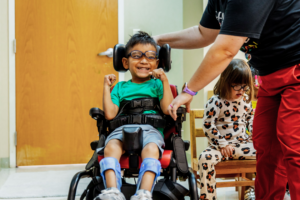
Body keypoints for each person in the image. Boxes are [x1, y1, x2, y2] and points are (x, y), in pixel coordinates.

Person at [153, 0, 300, 199]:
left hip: (295, 72)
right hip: (270, 78)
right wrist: (158, 40)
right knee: (267, 149)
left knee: (294, 146)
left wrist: (190, 90)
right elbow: (203, 33)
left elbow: (225, 50)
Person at [94, 31, 173, 200]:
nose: (144, 61)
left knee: (151, 149)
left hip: (151, 130)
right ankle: (112, 192)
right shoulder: (120, 87)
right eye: (137, 55)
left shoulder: (158, 85)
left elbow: (167, 109)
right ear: (125, 61)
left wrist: (165, 81)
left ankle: (143, 194)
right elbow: (110, 114)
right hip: (121, 129)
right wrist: (106, 88)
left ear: (157, 62)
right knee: (110, 147)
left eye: (151, 57)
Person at [198, 59, 255, 200]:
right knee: (204, 158)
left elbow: (251, 119)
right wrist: (222, 144)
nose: (241, 90)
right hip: (220, 148)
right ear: (226, 81)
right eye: (236, 86)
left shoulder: (246, 101)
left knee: (269, 153)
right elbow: (207, 125)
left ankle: (256, 191)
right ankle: (208, 198)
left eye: (245, 86)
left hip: (242, 146)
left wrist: (255, 134)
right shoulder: (215, 101)